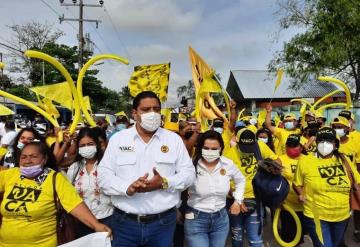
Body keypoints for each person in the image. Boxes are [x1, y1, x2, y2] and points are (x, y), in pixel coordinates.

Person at [98, 91, 196, 247]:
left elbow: (189, 174)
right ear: (135, 113)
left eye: (156, 109)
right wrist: (127, 188)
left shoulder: (173, 139)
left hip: (162, 224)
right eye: (146, 109)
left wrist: (164, 182)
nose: (153, 114)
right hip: (124, 223)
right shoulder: (118, 139)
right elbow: (103, 176)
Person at [0, 141, 111, 247]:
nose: (28, 160)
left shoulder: (55, 178)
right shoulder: (11, 175)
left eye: (34, 156)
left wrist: (95, 225)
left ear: (44, 159)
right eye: (23, 157)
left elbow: (74, 203)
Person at [293, 127, 360, 247]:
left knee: (335, 244)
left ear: (335, 144)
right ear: (316, 142)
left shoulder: (344, 160)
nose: (324, 143)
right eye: (321, 140)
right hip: (316, 215)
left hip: (342, 215)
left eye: (329, 140)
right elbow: (296, 183)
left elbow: (357, 181)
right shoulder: (305, 161)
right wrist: (300, 194)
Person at [184, 130, 246, 247]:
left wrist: (238, 201)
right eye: (206, 148)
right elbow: (179, 184)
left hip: (221, 219)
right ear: (200, 147)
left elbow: (240, 180)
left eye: (214, 149)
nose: (210, 152)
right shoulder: (191, 164)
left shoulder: (228, 164)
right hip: (196, 219)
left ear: (221, 148)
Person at [224, 127, 279, 247]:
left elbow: (278, 163)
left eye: (251, 147)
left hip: (256, 197)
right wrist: (237, 199)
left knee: (255, 239)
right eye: (245, 148)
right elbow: (223, 181)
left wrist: (269, 167)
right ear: (237, 142)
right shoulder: (228, 154)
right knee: (237, 237)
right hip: (234, 201)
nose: (249, 151)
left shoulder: (261, 146)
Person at [67, 127, 113, 237]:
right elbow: (69, 194)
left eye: (90, 144)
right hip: (82, 222)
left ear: (97, 144)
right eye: (82, 145)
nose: (86, 148)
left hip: (107, 219)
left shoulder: (107, 165)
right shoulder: (75, 168)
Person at [279, 134, 306, 245]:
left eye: (294, 145)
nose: (291, 148)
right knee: (289, 236)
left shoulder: (309, 160)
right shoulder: (280, 160)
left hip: (305, 206)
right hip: (287, 206)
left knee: (300, 237)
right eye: (289, 145)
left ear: (301, 147)